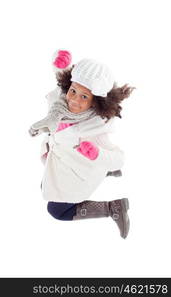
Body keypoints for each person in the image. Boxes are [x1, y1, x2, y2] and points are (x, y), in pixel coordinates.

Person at [29, 50, 135, 239]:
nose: (74, 100)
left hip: (78, 172)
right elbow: (68, 79)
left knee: (56, 210)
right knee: (44, 185)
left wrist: (97, 155)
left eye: (84, 97)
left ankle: (112, 208)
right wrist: (61, 65)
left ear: (96, 102)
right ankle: (105, 173)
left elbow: (120, 158)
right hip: (60, 161)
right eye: (73, 91)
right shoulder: (59, 105)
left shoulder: (95, 128)